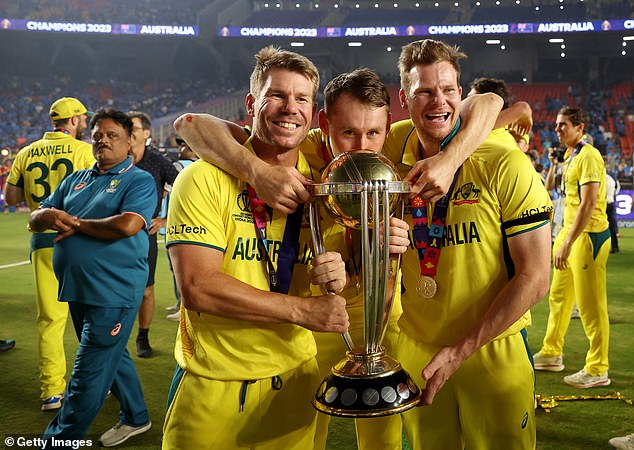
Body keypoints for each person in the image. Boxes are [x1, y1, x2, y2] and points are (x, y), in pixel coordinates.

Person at [162, 46, 350, 450]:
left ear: (314, 114)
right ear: (251, 103)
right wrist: (303, 310)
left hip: (296, 383)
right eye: (277, 95)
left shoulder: (325, 185)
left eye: (301, 99)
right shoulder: (202, 178)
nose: (289, 108)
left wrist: (340, 270)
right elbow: (198, 287)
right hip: (213, 383)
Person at [386, 39, 552, 449]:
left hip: (491, 352)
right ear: (404, 100)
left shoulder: (505, 161)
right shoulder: (389, 147)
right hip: (418, 353)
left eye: (447, 90)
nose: (437, 101)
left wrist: (460, 353)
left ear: (461, 95)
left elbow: (535, 276)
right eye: (423, 91)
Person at [29, 108, 155, 447]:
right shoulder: (75, 179)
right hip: (78, 287)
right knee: (112, 356)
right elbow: (36, 216)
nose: (102, 140)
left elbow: (128, 224)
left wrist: (75, 223)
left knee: (86, 376)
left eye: (112, 135)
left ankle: (58, 441)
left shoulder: (138, 180)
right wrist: (49, 214)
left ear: (130, 141)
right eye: (97, 134)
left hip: (113, 292)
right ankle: (136, 416)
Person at [4, 97, 95, 411]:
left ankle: (51, 391)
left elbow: (12, 197)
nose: (85, 123)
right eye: (83, 118)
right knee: (90, 317)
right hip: (81, 240)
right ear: (72, 120)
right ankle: (98, 383)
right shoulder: (85, 151)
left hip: (42, 241)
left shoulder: (26, 152)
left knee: (49, 320)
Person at [533, 106, 611, 388]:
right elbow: (553, 187)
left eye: (563, 125)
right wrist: (555, 163)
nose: (557, 129)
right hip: (570, 234)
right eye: (556, 125)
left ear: (580, 128)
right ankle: (552, 352)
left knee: (590, 306)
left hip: (587, 237)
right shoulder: (570, 157)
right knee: (559, 297)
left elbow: (589, 205)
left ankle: (598, 367)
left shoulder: (589, 156)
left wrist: (567, 243)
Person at [127, 111, 180, 357]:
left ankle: (142, 337)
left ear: (146, 133)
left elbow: (186, 187)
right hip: (114, 234)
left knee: (147, 290)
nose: (129, 130)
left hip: (144, 235)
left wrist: (166, 219)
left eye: (134, 127)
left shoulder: (158, 162)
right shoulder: (117, 158)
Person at [165, 136, 199, 322]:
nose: (180, 149)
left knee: (177, 267)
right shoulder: (206, 166)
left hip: (178, 222)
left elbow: (166, 191)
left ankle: (183, 305)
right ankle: (180, 303)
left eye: (184, 145)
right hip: (196, 222)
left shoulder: (178, 166)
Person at [606, 171, 620, 253]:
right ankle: (615, 247)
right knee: (612, 227)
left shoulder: (601, 177)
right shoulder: (612, 177)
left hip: (603, 203)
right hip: (611, 202)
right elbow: (617, 187)